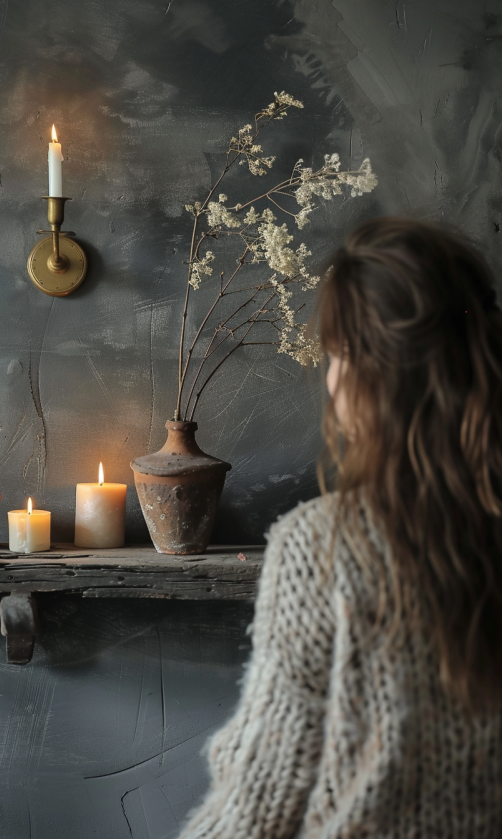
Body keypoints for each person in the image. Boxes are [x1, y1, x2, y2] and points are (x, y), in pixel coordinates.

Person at [177, 217, 502, 839]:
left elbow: (260, 802)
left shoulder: (322, 546)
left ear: (377, 374)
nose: (329, 378)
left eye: (340, 355)